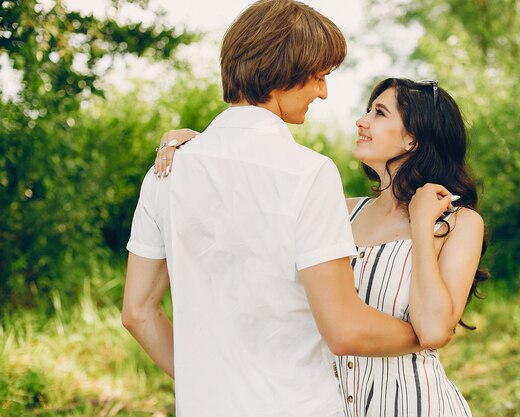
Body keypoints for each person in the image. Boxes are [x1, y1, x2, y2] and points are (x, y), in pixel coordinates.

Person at [122, 2, 423, 417]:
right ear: (284, 73)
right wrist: (423, 334)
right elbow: (343, 329)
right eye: (319, 77)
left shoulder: (166, 171)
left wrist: (205, 387)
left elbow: (137, 313)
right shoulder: (310, 173)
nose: (323, 92)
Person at [158, 78, 488, 416]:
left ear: (412, 138)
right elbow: (252, 199)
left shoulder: (458, 224)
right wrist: (202, 150)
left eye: (379, 113)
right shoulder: (339, 210)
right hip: (326, 405)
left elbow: (433, 329)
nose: (362, 120)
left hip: (414, 404)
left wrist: (420, 224)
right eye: (367, 111)